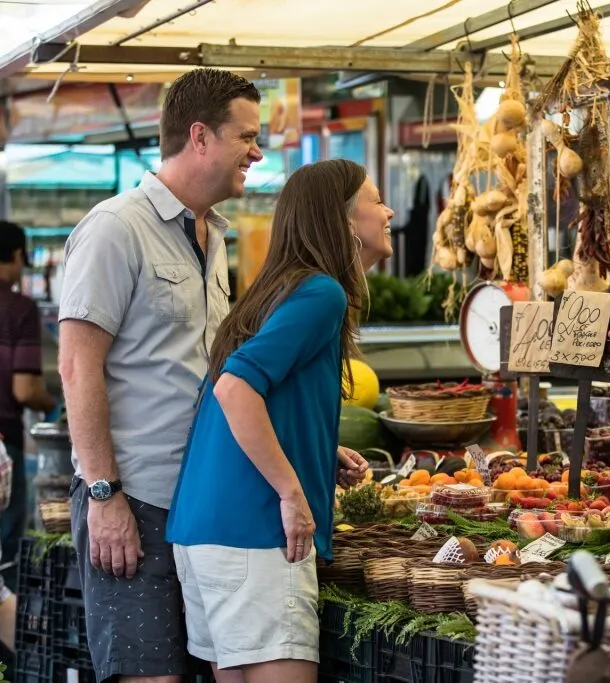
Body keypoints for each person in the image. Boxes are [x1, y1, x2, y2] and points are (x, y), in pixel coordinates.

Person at [57, 68, 264, 683]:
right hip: (135, 500)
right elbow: (76, 365)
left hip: (203, 501)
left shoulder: (216, 237)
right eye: (246, 136)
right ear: (200, 137)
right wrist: (103, 495)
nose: (257, 151)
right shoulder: (115, 229)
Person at [165, 158, 387, 683]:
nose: (389, 211)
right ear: (344, 220)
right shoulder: (321, 293)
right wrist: (291, 492)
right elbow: (235, 388)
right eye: (376, 200)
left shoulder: (280, 289)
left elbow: (244, 397)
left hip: (207, 528)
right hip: (255, 531)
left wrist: (311, 449)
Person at [0, 221, 55, 664]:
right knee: (6, 559)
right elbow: (24, 390)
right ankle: (17, 661)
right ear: (17, 254)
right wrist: (53, 401)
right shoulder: (17, 308)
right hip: (5, 444)